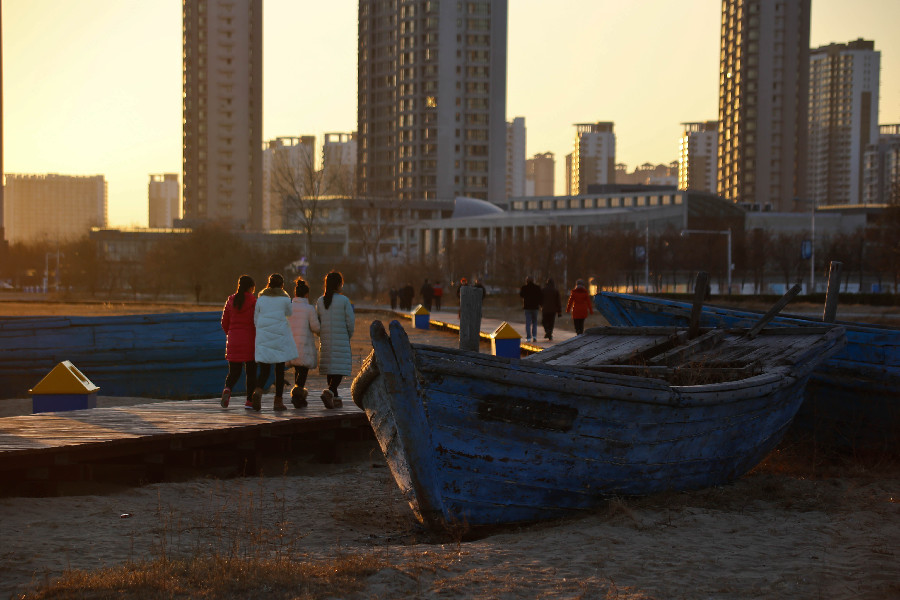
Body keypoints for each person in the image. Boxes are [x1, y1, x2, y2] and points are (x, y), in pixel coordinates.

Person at [250, 273, 298, 412]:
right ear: (282, 285)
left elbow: (255, 319)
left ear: (269, 284)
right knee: (279, 371)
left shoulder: (261, 298)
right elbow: (290, 313)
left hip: (264, 336)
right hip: (280, 336)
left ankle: (258, 391)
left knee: (264, 370)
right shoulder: (285, 299)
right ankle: (278, 402)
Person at [316, 271, 355, 409]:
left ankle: (335, 399)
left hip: (325, 339)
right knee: (339, 369)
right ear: (339, 284)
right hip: (341, 338)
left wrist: (321, 334)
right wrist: (347, 335)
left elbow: (317, 322)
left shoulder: (320, 301)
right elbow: (350, 322)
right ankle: (330, 392)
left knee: (331, 368)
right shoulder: (344, 300)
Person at [220, 274, 257, 409]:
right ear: (251, 288)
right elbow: (257, 322)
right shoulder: (253, 302)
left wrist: (231, 334)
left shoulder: (230, 301)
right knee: (251, 372)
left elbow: (224, 322)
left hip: (233, 340)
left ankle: (228, 389)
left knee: (234, 372)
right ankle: (249, 401)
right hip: (249, 341)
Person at [286, 277, 320, 408]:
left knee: (297, 370)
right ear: (307, 294)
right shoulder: (309, 308)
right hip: (304, 345)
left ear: (295, 294)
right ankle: (297, 396)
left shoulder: (289, 307)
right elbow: (315, 327)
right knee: (303, 371)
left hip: (291, 344)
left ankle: (298, 397)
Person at [519, 276, 543, 343]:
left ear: (526, 281)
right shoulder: (537, 288)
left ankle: (528, 337)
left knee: (528, 322)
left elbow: (521, 295)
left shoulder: (524, 287)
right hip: (535, 307)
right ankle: (534, 336)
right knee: (534, 322)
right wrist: (541, 305)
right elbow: (540, 297)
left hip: (527, 307)